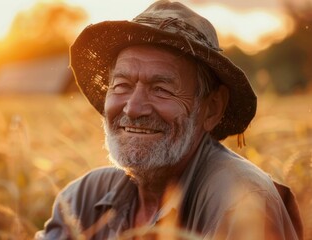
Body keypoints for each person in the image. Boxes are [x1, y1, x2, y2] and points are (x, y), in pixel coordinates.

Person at [36, 1, 303, 239]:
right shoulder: (84, 199)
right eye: (121, 85)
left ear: (211, 109)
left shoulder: (243, 204)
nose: (133, 108)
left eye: (161, 89)